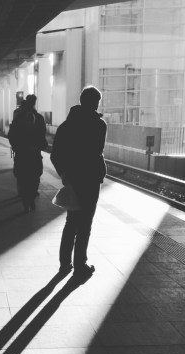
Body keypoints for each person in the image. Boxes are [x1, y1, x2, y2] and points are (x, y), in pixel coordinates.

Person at [50, 85, 107, 280]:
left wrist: (65, 174)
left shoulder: (66, 126)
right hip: (91, 179)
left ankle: (65, 263)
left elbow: (55, 154)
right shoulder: (99, 125)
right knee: (85, 224)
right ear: (95, 103)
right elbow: (96, 151)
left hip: (73, 179)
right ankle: (80, 264)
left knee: (71, 222)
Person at [7, 94, 47, 213]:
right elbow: (42, 137)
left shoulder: (18, 118)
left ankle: (26, 202)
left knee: (23, 178)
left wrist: (17, 147)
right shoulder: (39, 118)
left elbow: (12, 135)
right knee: (35, 178)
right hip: (35, 155)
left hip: (22, 154)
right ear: (34, 102)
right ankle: (31, 198)